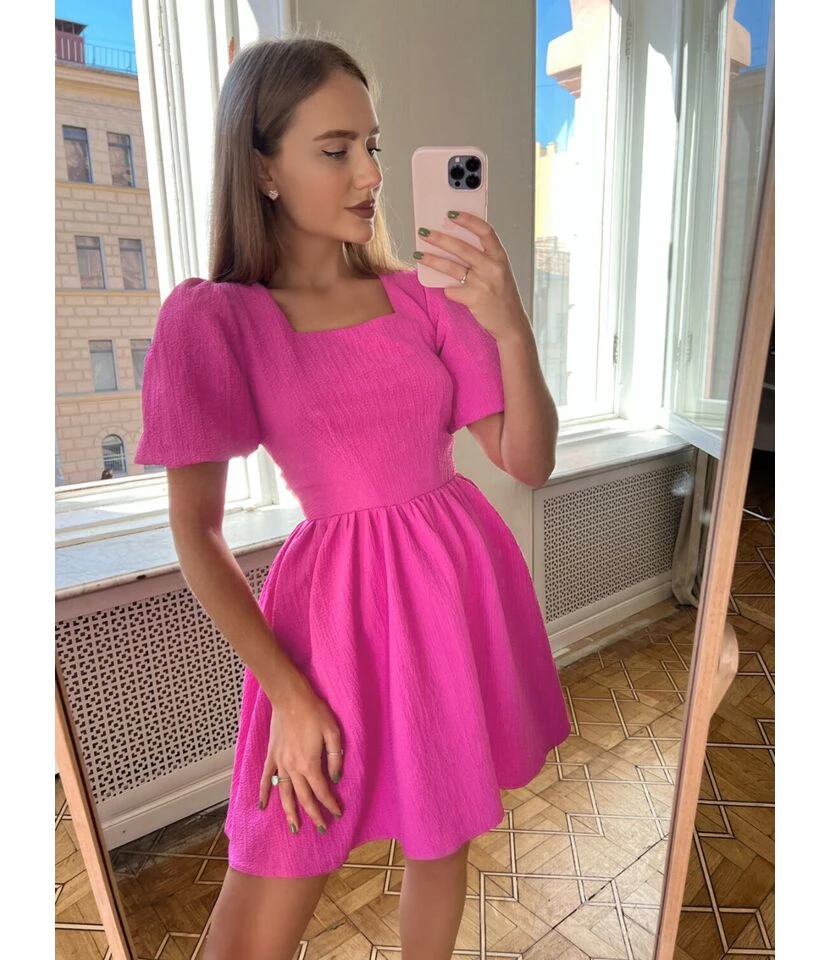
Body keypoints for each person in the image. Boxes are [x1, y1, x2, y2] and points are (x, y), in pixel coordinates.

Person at [134, 34, 570, 960]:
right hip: (333, 621)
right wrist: (287, 693)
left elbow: (527, 461)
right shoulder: (218, 319)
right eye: (336, 149)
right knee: (269, 884)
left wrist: (510, 324)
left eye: (372, 145)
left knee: (443, 836)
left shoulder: (424, 300)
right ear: (263, 168)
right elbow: (196, 532)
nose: (370, 173)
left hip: (454, 588)